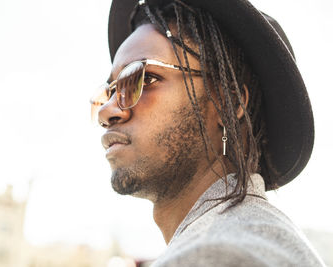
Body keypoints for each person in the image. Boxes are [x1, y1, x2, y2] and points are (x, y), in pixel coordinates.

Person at [90, 0, 326, 266]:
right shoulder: (242, 239)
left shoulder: (221, 255)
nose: (107, 111)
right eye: (109, 91)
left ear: (229, 103)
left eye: (142, 78)